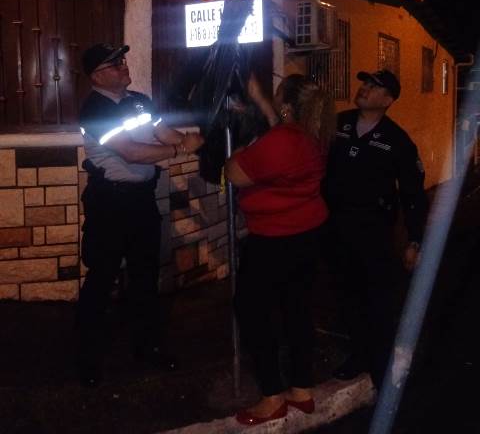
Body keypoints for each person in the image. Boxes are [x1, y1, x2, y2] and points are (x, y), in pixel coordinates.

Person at [76, 43, 204, 387]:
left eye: (122, 60)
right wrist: (179, 148)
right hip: (110, 204)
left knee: (145, 276)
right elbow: (131, 152)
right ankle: (87, 358)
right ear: (97, 76)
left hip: (141, 202)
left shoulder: (139, 101)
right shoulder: (95, 108)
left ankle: (148, 347)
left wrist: (190, 139)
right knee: (102, 279)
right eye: (114, 64)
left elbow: (163, 132)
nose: (123, 65)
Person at [225, 74, 335, 425]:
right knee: (297, 309)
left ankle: (272, 396)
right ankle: (301, 390)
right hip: (307, 234)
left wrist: (238, 152)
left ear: (287, 106)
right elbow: (280, 131)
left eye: (277, 94)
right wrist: (261, 101)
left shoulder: (282, 142)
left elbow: (235, 174)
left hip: (275, 240)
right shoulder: (312, 133)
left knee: (253, 312)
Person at [325, 69, 428, 389]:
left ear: (388, 99)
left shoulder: (397, 140)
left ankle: (382, 368)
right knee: (347, 296)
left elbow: (413, 194)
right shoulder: (338, 124)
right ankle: (358, 355)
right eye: (365, 83)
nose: (364, 89)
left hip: (373, 233)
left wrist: (415, 239)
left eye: (374, 86)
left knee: (377, 300)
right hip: (335, 228)